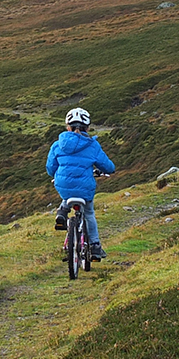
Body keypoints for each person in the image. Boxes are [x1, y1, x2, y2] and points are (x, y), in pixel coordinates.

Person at [46, 107, 115, 261]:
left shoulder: (57, 144)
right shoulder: (92, 145)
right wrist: (107, 170)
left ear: (68, 127)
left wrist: (56, 175)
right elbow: (108, 167)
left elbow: (50, 168)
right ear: (87, 128)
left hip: (63, 185)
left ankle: (62, 212)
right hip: (85, 187)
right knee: (89, 213)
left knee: (68, 191)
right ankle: (95, 246)